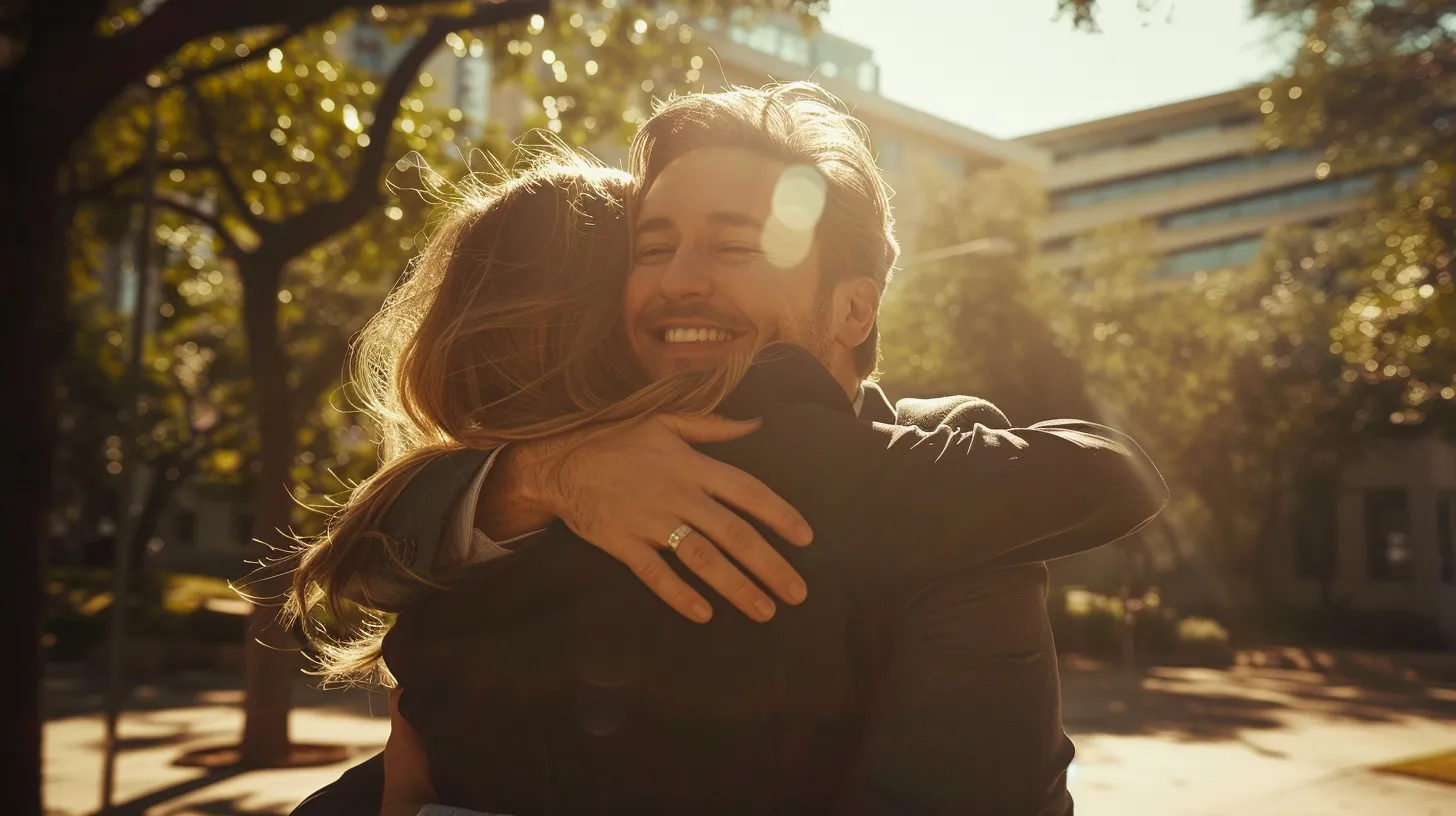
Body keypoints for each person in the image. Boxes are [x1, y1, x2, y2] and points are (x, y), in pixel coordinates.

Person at [289, 85, 1166, 815]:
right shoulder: (551, 484)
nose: (679, 280)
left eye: (739, 245)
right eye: (652, 247)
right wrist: (541, 475)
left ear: (854, 309)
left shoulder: (925, 469)